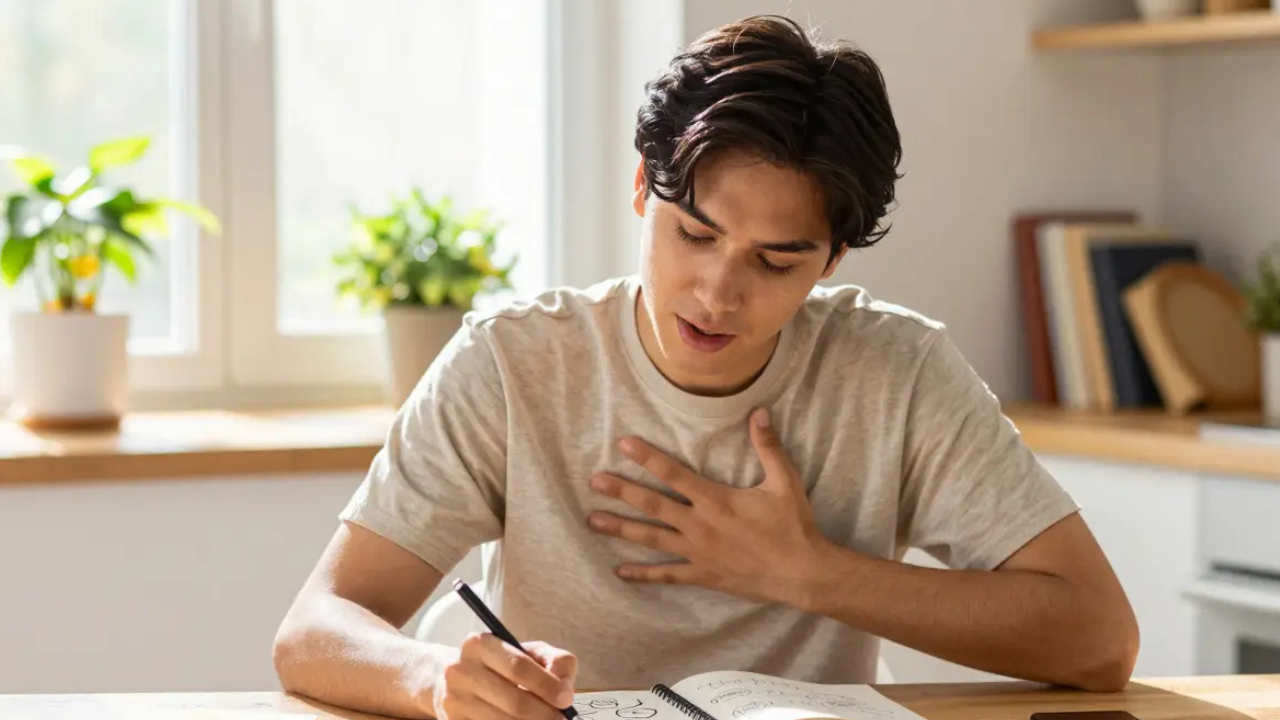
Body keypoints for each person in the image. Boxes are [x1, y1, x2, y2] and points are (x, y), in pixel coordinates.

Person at [272, 14, 1140, 720]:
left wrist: (806, 572)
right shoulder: (512, 362)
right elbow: (314, 627)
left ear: (832, 258)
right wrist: (432, 680)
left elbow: (1100, 640)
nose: (718, 294)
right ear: (642, 187)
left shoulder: (898, 372)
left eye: (777, 260)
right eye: (695, 234)